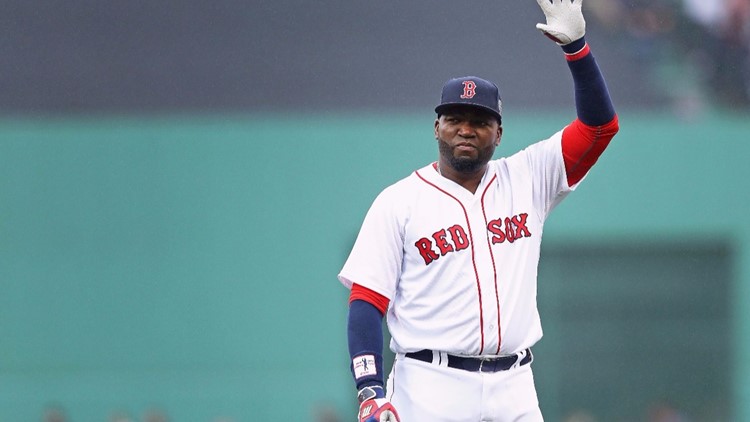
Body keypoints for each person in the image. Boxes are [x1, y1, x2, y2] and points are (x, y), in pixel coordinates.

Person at [338, 0, 619, 421]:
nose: (466, 128)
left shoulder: (528, 177)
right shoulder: (399, 201)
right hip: (430, 383)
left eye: (480, 120)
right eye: (455, 118)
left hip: (515, 385)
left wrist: (577, 49)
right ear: (437, 127)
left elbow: (600, 128)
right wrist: (369, 390)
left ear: (499, 133)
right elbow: (366, 301)